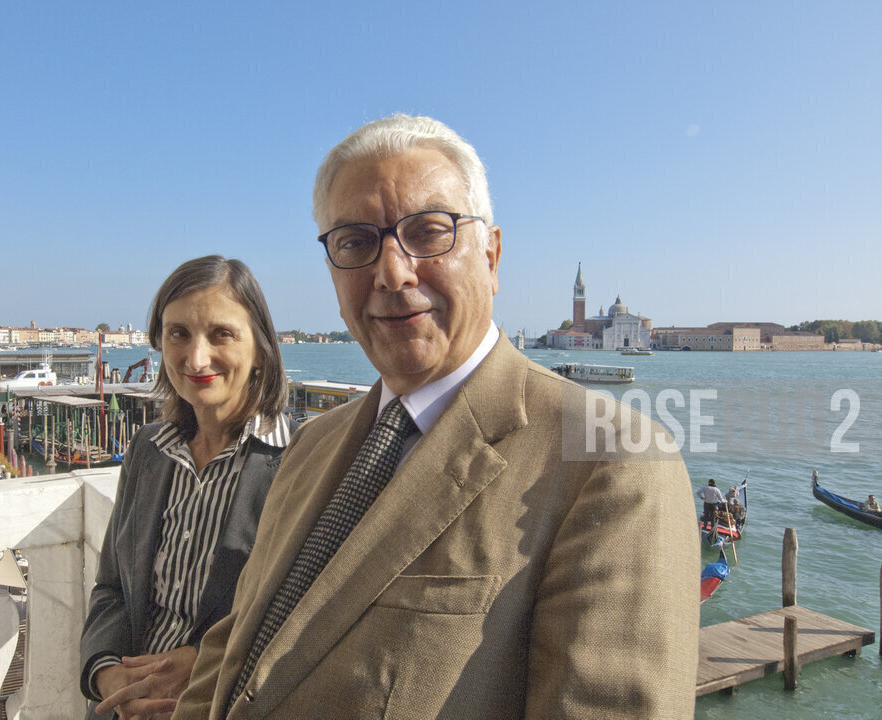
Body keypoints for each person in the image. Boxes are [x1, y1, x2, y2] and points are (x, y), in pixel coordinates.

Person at [174, 116, 699, 719]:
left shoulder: (611, 460)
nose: (392, 272)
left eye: (429, 232)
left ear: (492, 257)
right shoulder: (311, 444)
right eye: (355, 242)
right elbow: (233, 650)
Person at [81, 256, 294, 719]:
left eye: (221, 334)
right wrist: (107, 674)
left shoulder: (296, 461)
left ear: (259, 347)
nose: (196, 358)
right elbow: (113, 586)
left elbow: (296, 611)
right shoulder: (147, 451)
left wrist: (202, 661)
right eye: (178, 334)